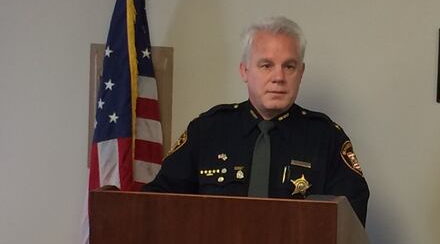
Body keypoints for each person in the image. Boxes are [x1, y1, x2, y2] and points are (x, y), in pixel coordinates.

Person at [143, 17, 370, 225]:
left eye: (289, 66)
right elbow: (159, 202)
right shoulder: (207, 131)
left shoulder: (327, 138)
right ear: (244, 71)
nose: (278, 77)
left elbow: (350, 219)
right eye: (266, 65)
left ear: (300, 73)